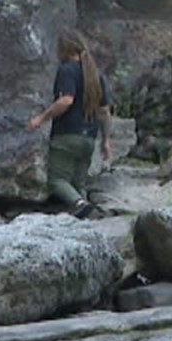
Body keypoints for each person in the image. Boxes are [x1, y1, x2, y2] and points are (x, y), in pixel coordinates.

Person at [26, 30, 113, 218]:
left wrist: (41, 119)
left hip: (67, 135)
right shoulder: (96, 75)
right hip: (89, 137)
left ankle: (80, 203)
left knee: (57, 180)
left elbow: (66, 100)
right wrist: (106, 140)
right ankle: (84, 221)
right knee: (78, 184)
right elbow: (104, 111)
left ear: (64, 49)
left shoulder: (67, 70)